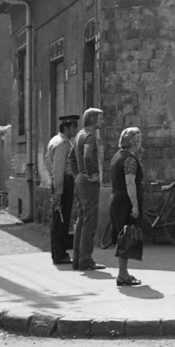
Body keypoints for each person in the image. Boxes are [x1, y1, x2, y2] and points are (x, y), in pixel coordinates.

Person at [69, 107, 105, 271]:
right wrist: (90, 174)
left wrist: (78, 174)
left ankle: (77, 258)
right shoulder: (89, 136)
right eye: (100, 118)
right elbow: (87, 156)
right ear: (92, 120)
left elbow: (71, 157)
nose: (102, 121)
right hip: (88, 182)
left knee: (82, 219)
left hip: (80, 181)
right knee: (90, 220)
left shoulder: (79, 135)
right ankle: (86, 259)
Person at [109, 127, 146, 287]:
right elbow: (130, 183)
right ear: (134, 142)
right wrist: (135, 205)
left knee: (122, 237)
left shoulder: (119, 156)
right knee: (125, 238)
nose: (140, 143)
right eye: (138, 140)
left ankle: (123, 273)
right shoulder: (130, 160)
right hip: (125, 202)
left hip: (117, 199)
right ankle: (122, 274)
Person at [41, 114, 79, 265]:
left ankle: (57, 253)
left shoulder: (54, 141)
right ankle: (60, 254)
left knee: (59, 219)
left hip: (58, 183)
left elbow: (48, 162)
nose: (76, 130)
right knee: (62, 220)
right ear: (67, 127)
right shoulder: (63, 144)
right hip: (63, 184)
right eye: (74, 127)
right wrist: (59, 191)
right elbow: (59, 169)